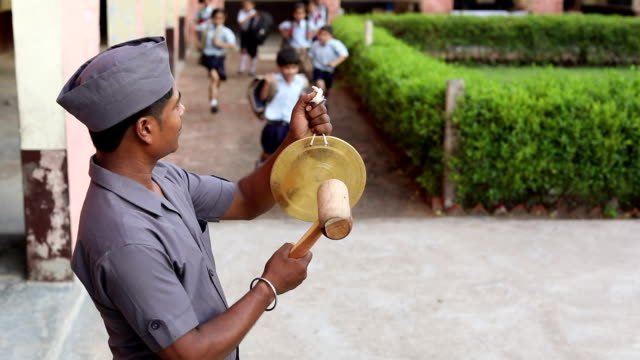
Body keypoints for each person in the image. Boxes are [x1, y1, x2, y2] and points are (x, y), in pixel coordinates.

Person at [56, 36, 330, 360]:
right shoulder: (125, 240)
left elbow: (244, 198)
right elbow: (192, 353)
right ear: (145, 129)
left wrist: (292, 142)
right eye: (175, 105)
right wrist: (269, 286)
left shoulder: (162, 178)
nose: (183, 110)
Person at [257, 47, 310, 165]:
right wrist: (266, 83)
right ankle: (259, 168)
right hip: (272, 126)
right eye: (287, 68)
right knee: (268, 153)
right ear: (279, 67)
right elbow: (262, 98)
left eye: (294, 67)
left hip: (290, 126)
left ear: (298, 67)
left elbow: (302, 98)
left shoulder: (301, 81)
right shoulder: (273, 80)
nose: (290, 71)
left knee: (287, 155)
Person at [196, 8, 237, 113]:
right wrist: (199, 44)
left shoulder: (226, 31)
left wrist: (220, 44)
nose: (218, 20)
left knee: (216, 82)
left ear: (224, 19)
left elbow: (233, 45)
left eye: (220, 18)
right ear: (212, 18)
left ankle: (213, 99)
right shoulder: (207, 29)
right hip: (208, 58)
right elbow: (197, 30)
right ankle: (214, 103)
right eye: (216, 18)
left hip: (219, 58)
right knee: (215, 78)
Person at [309, 25, 348, 98]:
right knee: (320, 86)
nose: (322, 37)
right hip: (318, 69)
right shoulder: (315, 45)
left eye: (325, 35)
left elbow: (344, 54)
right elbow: (311, 56)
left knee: (328, 88)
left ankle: (325, 98)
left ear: (331, 36)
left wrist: (334, 63)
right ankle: (321, 102)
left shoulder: (335, 44)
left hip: (329, 70)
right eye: (320, 34)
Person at [278, 3, 313, 79]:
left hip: (304, 49)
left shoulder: (308, 24)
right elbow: (281, 27)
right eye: (297, 13)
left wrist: (310, 38)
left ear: (305, 14)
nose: (299, 15)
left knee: (307, 68)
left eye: (301, 13)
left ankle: (307, 83)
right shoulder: (289, 24)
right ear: (293, 14)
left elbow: (315, 31)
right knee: (295, 67)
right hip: (293, 48)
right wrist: (286, 34)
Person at [237, 0, 258, 76]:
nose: (246, 6)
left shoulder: (256, 13)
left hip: (253, 35)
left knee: (253, 52)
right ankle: (241, 68)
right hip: (244, 34)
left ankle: (253, 69)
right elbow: (240, 22)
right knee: (243, 50)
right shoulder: (242, 12)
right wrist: (249, 17)